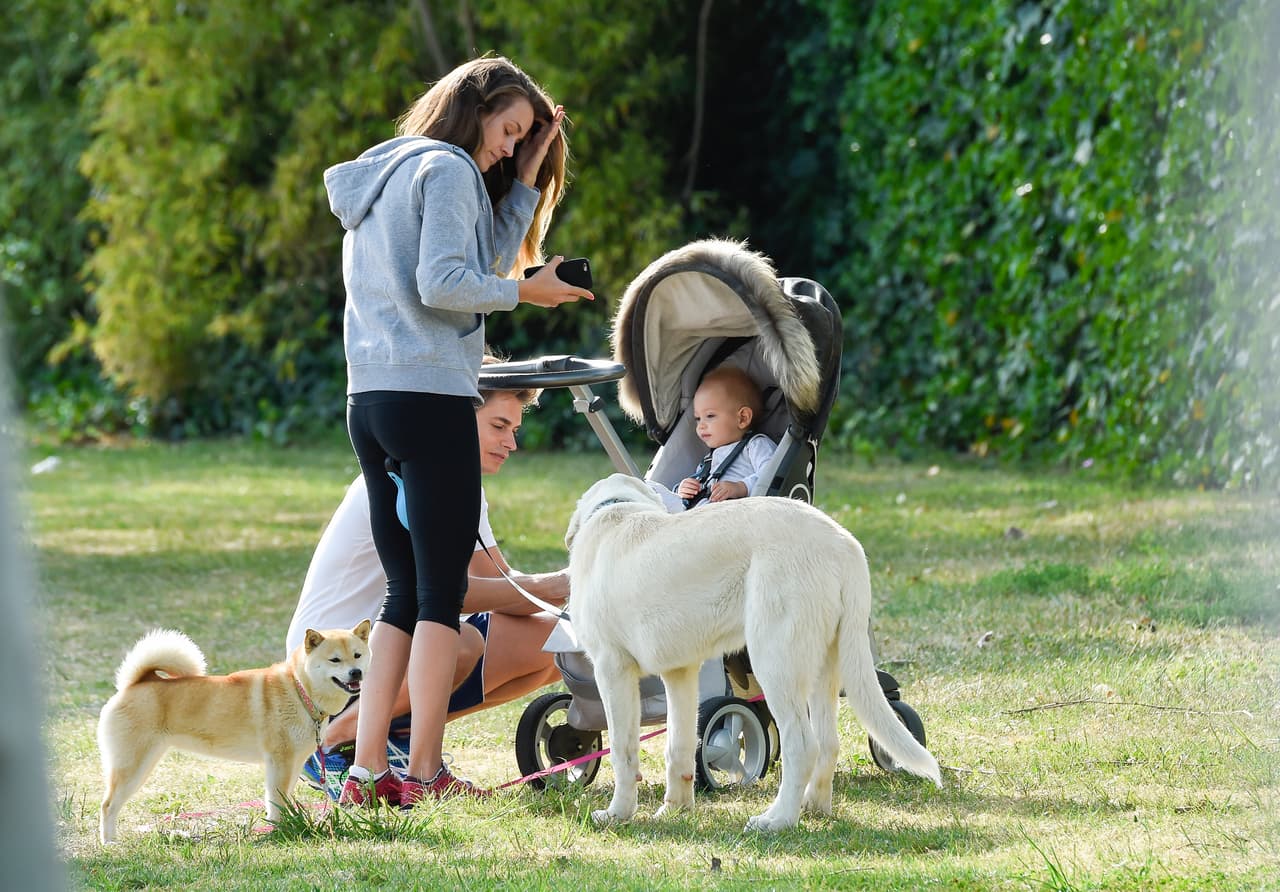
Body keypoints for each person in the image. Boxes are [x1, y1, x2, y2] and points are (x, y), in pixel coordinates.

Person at [322, 55, 591, 808]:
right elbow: (446, 283)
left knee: (404, 592)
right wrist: (525, 293)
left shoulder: (388, 172)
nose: (509, 147)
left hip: (370, 399)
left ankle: (369, 773)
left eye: (521, 140)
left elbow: (471, 261)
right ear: (477, 105)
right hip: (429, 394)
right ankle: (424, 772)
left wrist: (529, 176)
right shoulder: (445, 172)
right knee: (438, 594)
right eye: (509, 130)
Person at [285, 368, 567, 788]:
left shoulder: (462, 483)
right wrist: (559, 585)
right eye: (499, 426)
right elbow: (443, 594)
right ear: (454, 416)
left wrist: (573, 590)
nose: (512, 442)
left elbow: (503, 584)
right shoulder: (415, 477)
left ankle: (395, 734)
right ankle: (335, 739)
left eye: (515, 429)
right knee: (463, 640)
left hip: (378, 655)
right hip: (330, 668)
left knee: (558, 644)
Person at [650, 366, 777, 512]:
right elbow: (699, 485)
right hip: (698, 509)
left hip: (730, 512)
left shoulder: (756, 445)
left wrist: (741, 487)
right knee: (650, 488)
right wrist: (684, 488)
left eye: (710, 416)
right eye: (697, 418)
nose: (701, 426)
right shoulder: (710, 459)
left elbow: (771, 475)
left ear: (742, 418)